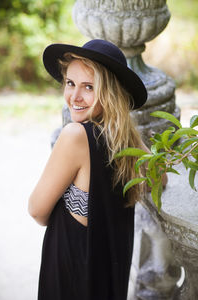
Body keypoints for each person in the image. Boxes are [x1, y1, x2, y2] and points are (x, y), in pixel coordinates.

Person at [28, 39, 148, 300]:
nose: (75, 96)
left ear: (110, 93)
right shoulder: (129, 143)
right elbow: (158, 178)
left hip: (73, 271)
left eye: (89, 87)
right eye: (70, 83)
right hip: (107, 278)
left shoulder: (75, 136)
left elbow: (37, 210)